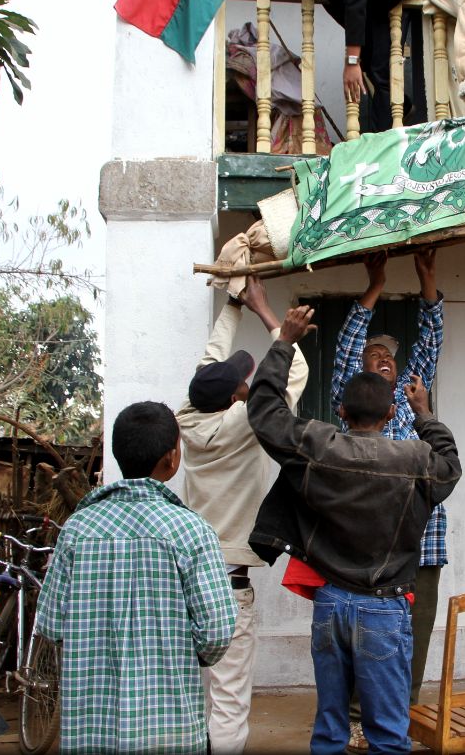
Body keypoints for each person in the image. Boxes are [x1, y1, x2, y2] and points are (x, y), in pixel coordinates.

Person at [246, 304, 462, 755]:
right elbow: (451, 466)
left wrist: (284, 341)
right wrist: (423, 414)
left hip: (330, 603)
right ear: (390, 416)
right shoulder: (416, 460)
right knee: (387, 734)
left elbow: (264, 411)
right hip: (384, 608)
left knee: (329, 728)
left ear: (341, 410)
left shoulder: (319, 445)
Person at [36, 401, 237, 755]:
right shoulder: (191, 531)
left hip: (91, 734)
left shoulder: (77, 531)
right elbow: (217, 632)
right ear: (171, 458)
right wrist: (179, 653)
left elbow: (51, 625)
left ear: (117, 453)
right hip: (170, 731)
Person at [177, 277, 309, 754]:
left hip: (189, 582)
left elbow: (207, 369)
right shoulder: (251, 419)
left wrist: (232, 307)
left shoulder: (188, 418)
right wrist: (269, 316)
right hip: (229, 585)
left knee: (193, 694)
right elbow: (293, 372)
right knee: (229, 699)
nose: (248, 381)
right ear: (236, 396)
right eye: (241, 380)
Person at [328, 249, 444, 750]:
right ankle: (357, 720)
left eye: (390, 358)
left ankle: (402, 715)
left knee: (413, 636)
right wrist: (374, 286)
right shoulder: (352, 403)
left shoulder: (411, 403)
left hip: (423, 541)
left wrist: (427, 277)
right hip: (371, 543)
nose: (384, 360)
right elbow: (347, 345)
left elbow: (431, 342)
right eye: (375, 356)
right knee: (363, 636)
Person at [266, 0, 424, 133]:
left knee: (379, 70)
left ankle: (383, 141)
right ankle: (402, 106)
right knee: (370, 64)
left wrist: (351, 60)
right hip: (368, 6)